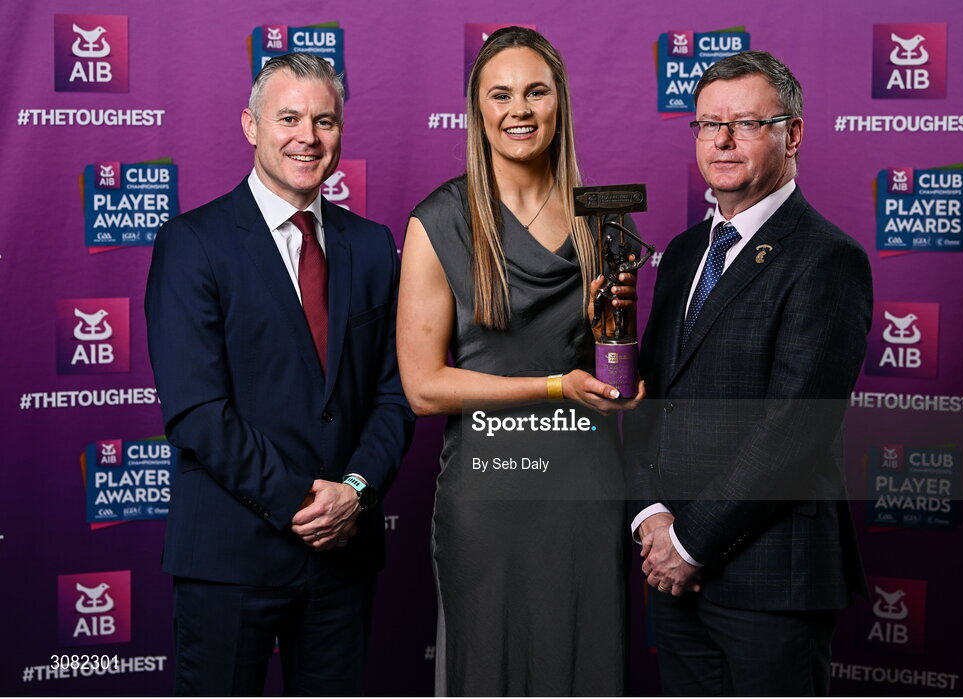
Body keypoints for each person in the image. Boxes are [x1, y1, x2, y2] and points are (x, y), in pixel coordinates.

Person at [145, 52, 414, 696]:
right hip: (230, 554)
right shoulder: (193, 242)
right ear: (250, 126)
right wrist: (301, 500)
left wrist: (353, 490)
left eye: (325, 121)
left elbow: (395, 391)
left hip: (342, 557)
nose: (308, 137)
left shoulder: (373, 245)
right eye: (289, 118)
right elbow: (195, 410)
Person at [397, 26, 640, 696]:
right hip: (491, 483)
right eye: (500, 94)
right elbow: (421, 386)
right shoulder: (440, 220)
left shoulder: (603, 221)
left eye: (536, 90)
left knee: (586, 663)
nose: (519, 109)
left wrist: (611, 336)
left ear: (560, 101)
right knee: (490, 668)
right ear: (478, 110)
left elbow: (617, 377)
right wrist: (557, 384)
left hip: (586, 487)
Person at [629, 50, 872, 696]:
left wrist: (689, 544)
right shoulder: (681, 254)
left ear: (792, 133)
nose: (723, 141)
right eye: (709, 124)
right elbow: (651, 399)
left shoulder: (828, 259)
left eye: (745, 123)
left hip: (771, 582)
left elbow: (792, 430)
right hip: (675, 577)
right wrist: (650, 514)